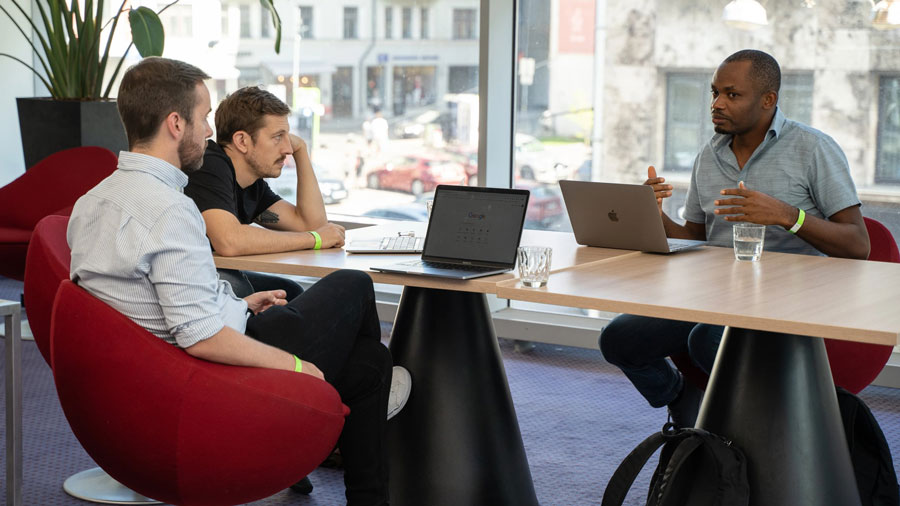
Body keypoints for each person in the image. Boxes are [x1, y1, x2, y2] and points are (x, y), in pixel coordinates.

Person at [67, 57, 406, 506]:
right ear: (176, 124)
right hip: (212, 374)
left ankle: (351, 462)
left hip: (168, 366)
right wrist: (298, 369)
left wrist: (239, 305)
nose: (210, 131)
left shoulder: (91, 201)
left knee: (371, 365)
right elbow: (202, 336)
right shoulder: (170, 209)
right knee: (354, 285)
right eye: (204, 117)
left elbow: (153, 297)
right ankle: (319, 419)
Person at [598, 49, 870, 429]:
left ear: (768, 100)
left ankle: (776, 428)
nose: (717, 104)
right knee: (618, 339)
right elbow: (695, 238)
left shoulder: (812, 148)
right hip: (717, 295)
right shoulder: (708, 156)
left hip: (791, 299)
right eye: (714, 93)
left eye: (732, 94)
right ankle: (681, 397)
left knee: (708, 340)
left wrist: (787, 215)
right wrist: (654, 217)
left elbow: (858, 245)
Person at [184, 86, 345, 300]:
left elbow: (312, 224)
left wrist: (301, 151)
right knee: (241, 288)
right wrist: (313, 239)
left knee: (290, 291)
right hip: (184, 281)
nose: (287, 148)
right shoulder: (209, 164)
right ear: (242, 141)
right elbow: (230, 241)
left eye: (288, 137)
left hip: (208, 273)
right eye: (278, 137)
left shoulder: (253, 185)